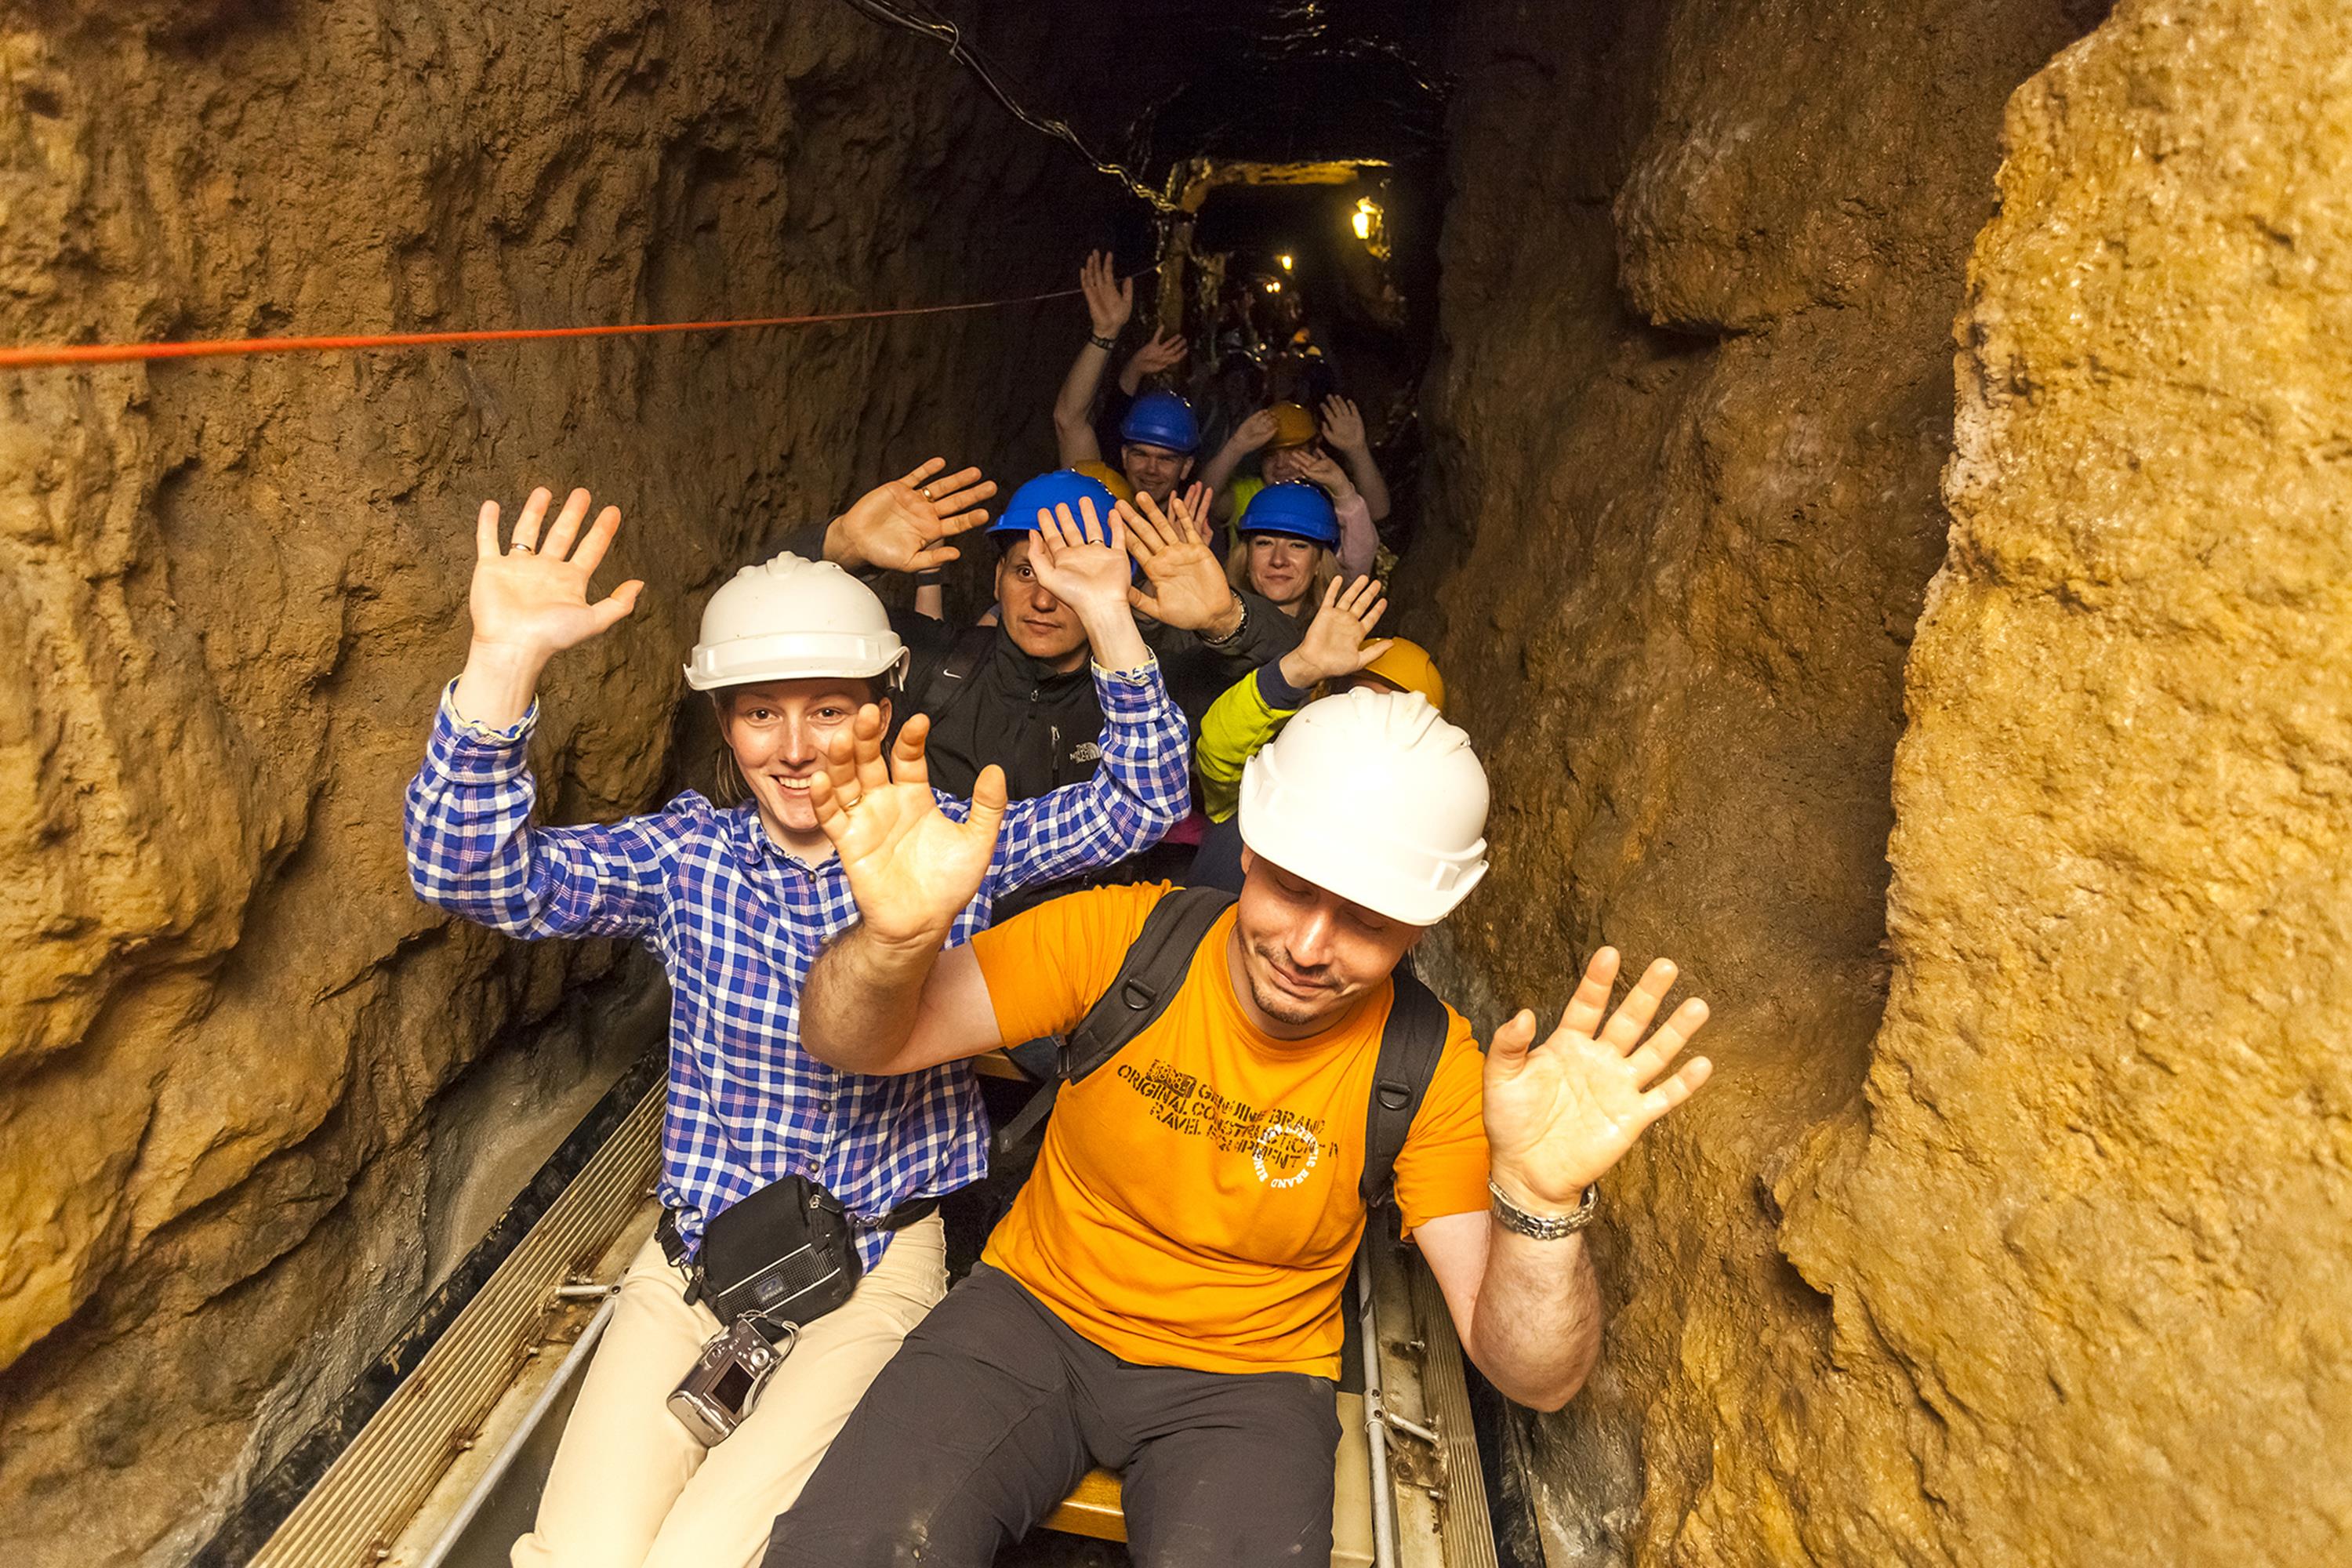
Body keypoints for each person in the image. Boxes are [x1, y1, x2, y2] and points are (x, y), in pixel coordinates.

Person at [401, 477, 1192, 1568]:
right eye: (761, 711)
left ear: (881, 709)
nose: (796, 747)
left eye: (828, 709)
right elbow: (467, 871)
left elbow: (1141, 800)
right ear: (725, 726)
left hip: (874, 1266)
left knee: (709, 1558)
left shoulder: (946, 842)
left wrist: (1112, 617)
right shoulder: (689, 859)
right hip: (700, 1264)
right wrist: (501, 669)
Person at [761, 688, 1714, 1568]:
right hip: (1031, 1314)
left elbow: (1534, 1378)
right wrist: (894, 944)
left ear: (1423, 926)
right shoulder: (1124, 940)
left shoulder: (1433, 1067)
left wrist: (1540, 1205)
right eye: (1294, 889)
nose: (1308, 948)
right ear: (1250, 850)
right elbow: (857, 1044)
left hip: (1249, 1381)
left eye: (1366, 922)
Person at [899, 472, 1301, 803]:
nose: (1042, 600)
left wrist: (1225, 617)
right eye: (1025, 573)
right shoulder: (934, 666)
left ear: (1114, 585)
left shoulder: (1151, 698)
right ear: (996, 578)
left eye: (1069, 579)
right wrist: (840, 546)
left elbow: (1294, 669)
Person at [1186, 574, 1445, 891]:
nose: (1371, 723)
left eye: (1393, 713)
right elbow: (1220, 747)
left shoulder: (1399, 845)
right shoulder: (1268, 776)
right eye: (1357, 701)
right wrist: (1299, 669)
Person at [1051, 250, 1201, 507]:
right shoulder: (1103, 502)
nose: (1151, 469)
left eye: (1166, 459)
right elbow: (1068, 420)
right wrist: (1105, 334)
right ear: (1123, 455)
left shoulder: (1191, 534)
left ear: (1186, 467)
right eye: (1140, 454)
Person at [1202, 394, 1392, 540]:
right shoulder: (1251, 494)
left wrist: (1357, 451)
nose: (1280, 464)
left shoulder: (1332, 494)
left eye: (1293, 451)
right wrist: (1235, 447)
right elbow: (1203, 499)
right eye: (1271, 455)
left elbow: (1378, 512)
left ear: (1314, 447)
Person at [1223, 478, 1374, 622]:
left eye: (1297, 545)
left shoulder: (1339, 639)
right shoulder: (1214, 636)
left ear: (1319, 563)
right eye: (1264, 543)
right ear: (1247, 557)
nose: (1278, 560)